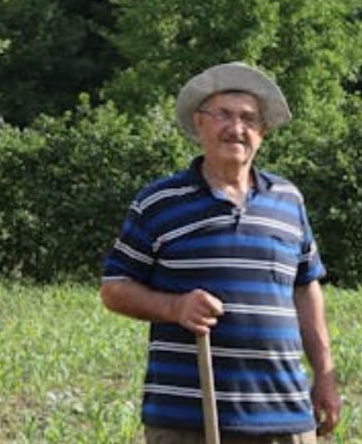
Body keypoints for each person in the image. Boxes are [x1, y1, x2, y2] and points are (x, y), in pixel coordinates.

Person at [101, 61, 341, 444]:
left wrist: (325, 375)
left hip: (285, 415)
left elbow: (305, 288)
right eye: (223, 115)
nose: (237, 128)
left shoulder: (287, 200)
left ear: (263, 131)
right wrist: (175, 308)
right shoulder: (159, 202)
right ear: (199, 124)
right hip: (187, 420)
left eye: (249, 118)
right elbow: (114, 287)